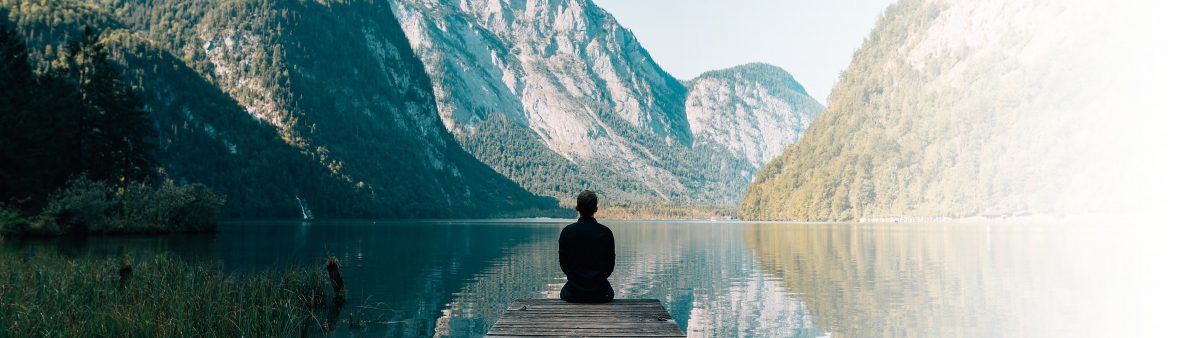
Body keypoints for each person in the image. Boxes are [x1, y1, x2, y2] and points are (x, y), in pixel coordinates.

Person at [558, 190, 615, 303]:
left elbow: (564, 264)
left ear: (577, 208)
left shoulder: (567, 232)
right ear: (596, 209)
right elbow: (610, 265)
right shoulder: (606, 233)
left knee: (564, 291)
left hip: (573, 293)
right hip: (601, 294)